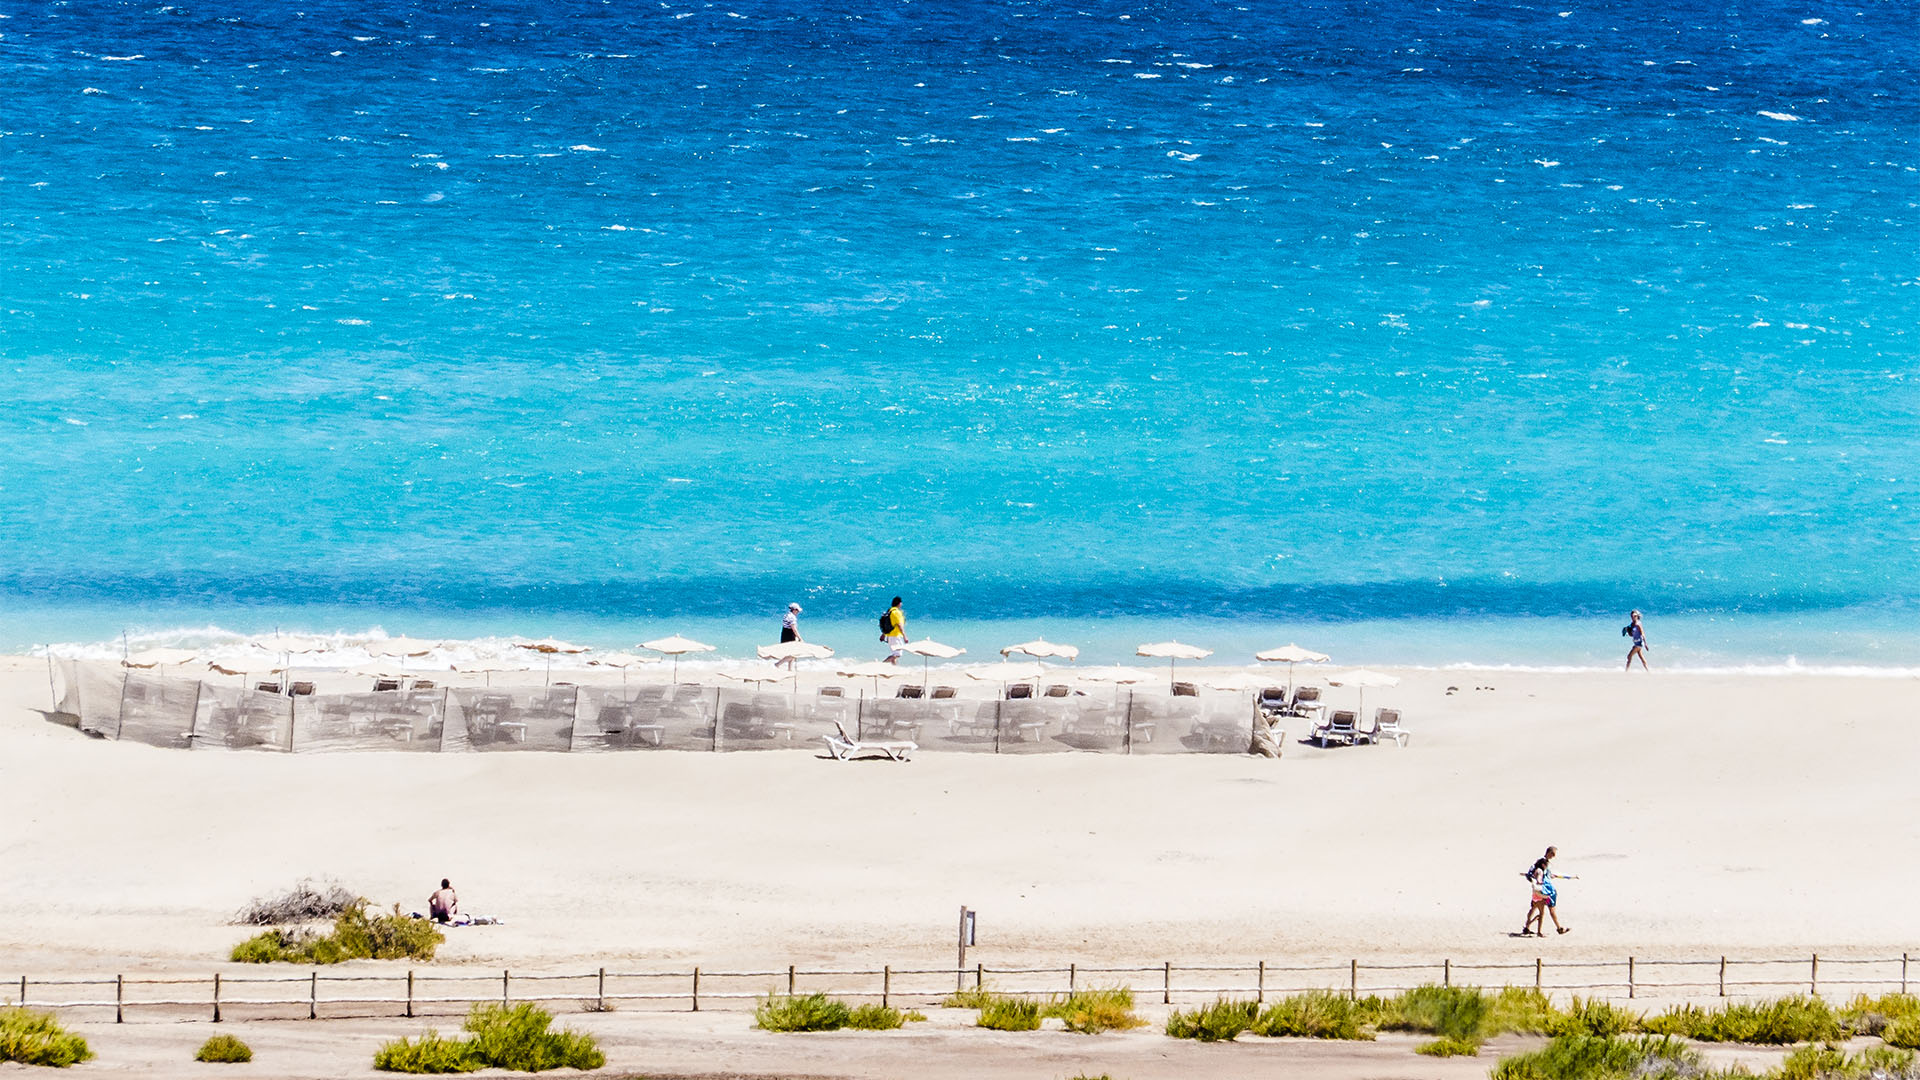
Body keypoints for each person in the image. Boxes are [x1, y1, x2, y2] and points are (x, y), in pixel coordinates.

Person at [1520, 847, 1574, 936]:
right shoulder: (1542, 864)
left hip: (1538, 892)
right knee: (1549, 909)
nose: (1554, 856)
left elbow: (1536, 875)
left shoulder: (1541, 864)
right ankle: (1558, 928)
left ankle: (1527, 927)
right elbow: (1539, 877)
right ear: (1548, 852)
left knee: (1534, 908)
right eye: (1553, 854)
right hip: (1545, 891)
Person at [774, 602, 803, 669]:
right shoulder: (792, 617)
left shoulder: (786, 615)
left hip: (784, 635)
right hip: (789, 636)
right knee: (793, 655)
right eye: (797, 610)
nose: (798, 612)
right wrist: (800, 638)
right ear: (794, 610)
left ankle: (790, 669)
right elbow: (794, 629)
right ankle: (777, 664)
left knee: (790, 653)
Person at [881, 596, 909, 664]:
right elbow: (899, 625)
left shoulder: (890, 611)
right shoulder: (896, 612)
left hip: (890, 636)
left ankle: (894, 669)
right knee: (897, 654)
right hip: (896, 636)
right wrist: (905, 636)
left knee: (894, 654)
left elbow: (888, 625)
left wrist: (883, 635)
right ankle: (881, 664)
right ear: (899, 603)